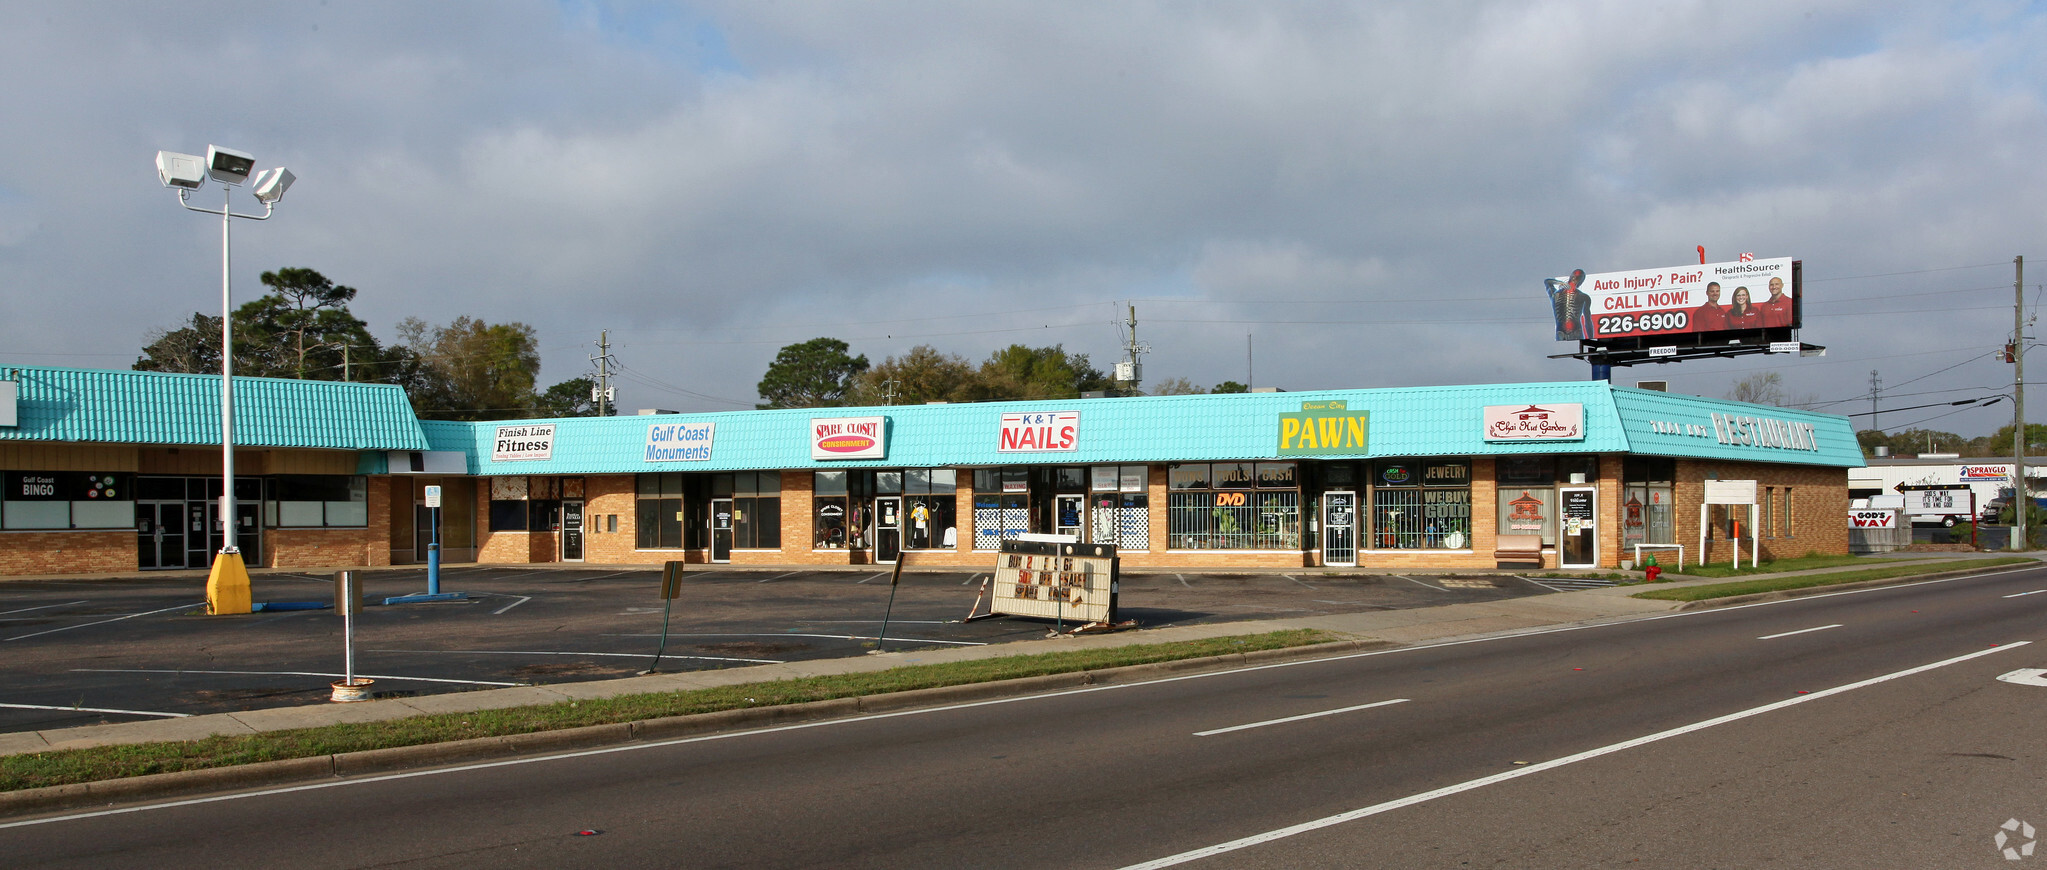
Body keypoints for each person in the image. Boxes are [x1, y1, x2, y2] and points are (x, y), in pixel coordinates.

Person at [1545, 269, 1594, 340]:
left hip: (1561, 332)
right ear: (1581, 282)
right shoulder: (1583, 296)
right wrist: (1591, 340)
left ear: (1570, 277)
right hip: (1576, 332)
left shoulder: (1555, 294)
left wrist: (1560, 283)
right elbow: (1588, 321)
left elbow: (1547, 282)